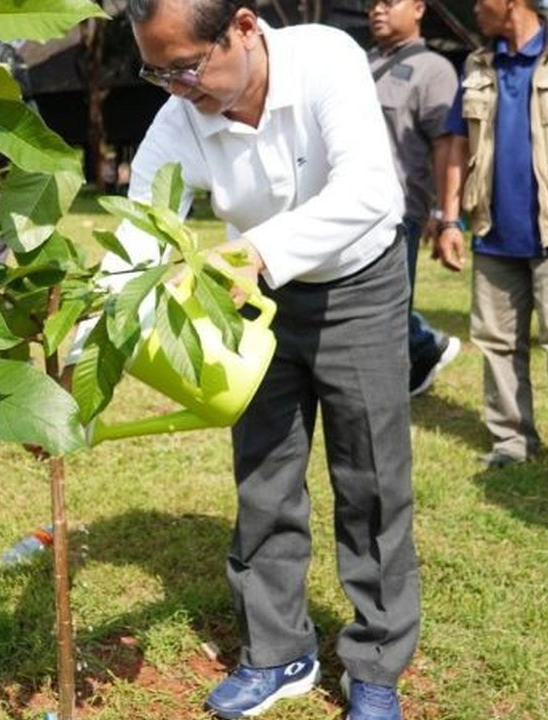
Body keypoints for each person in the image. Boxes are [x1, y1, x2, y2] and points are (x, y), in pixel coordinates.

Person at [112, 1, 417, 717]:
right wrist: (90, 338)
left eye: (186, 67)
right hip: (255, 301)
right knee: (265, 475)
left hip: (358, 286)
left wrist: (259, 251)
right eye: (158, 74)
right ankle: (280, 653)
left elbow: (372, 191)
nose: (179, 89)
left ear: (244, 28)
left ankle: (375, 662)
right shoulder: (178, 117)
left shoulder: (326, 60)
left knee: (371, 476)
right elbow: (137, 242)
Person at [434, 0, 548, 486]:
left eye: (482, 1)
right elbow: (457, 143)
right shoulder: (477, 66)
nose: (475, 9)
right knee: (497, 342)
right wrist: (450, 219)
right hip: (494, 233)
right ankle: (512, 440)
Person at [368, 0, 462, 396]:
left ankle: (421, 348)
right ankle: (424, 345)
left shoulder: (434, 70)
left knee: (387, 303)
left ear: (419, 8)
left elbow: (447, 146)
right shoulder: (358, 63)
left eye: (389, 2)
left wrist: (443, 213)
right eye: (372, 4)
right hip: (345, 205)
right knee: (363, 302)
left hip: (399, 209)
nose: (377, 10)